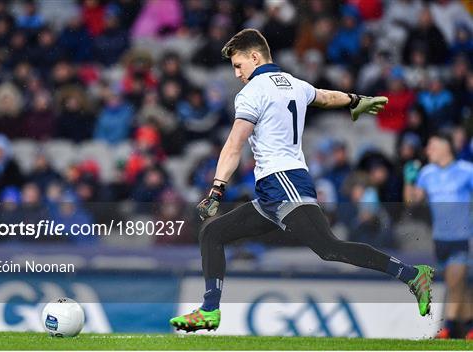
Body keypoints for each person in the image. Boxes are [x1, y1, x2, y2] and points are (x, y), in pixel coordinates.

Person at [169, 29, 434, 332]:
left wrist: (217, 188)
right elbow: (323, 96)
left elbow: (234, 143)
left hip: (285, 183)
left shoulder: (253, 91)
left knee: (329, 248)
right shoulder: (294, 84)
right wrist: (355, 99)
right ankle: (210, 310)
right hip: (272, 191)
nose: (237, 73)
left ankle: (413, 274)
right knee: (212, 233)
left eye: (239, 65)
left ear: (255, 57)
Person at [404, 133, 473, 339]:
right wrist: (409, 180)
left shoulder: (466, 171)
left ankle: (449, 328)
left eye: (432, 146)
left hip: (462, 237)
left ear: (446, 147)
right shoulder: (427, 173)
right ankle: (469, 327)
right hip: (439, 238)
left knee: (455, 280)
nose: (427, 150)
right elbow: (411, 202)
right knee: (459, 285)